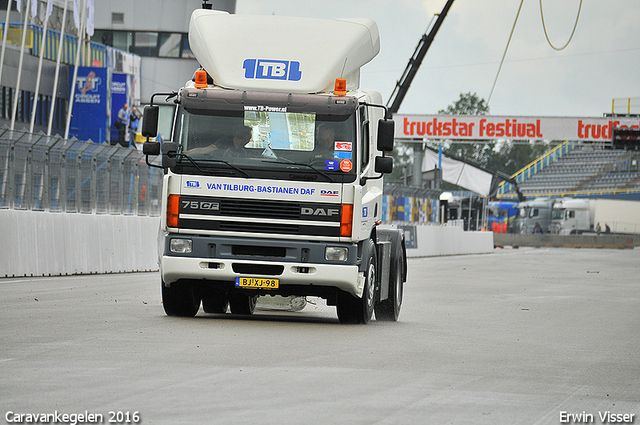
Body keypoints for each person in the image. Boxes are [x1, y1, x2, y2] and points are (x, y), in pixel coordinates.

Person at [185, 126, 252, 158]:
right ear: (247, 137)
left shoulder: (242, 151)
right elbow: (205, 150)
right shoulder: (224, 142)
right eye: (250, 136)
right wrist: (185, 153)